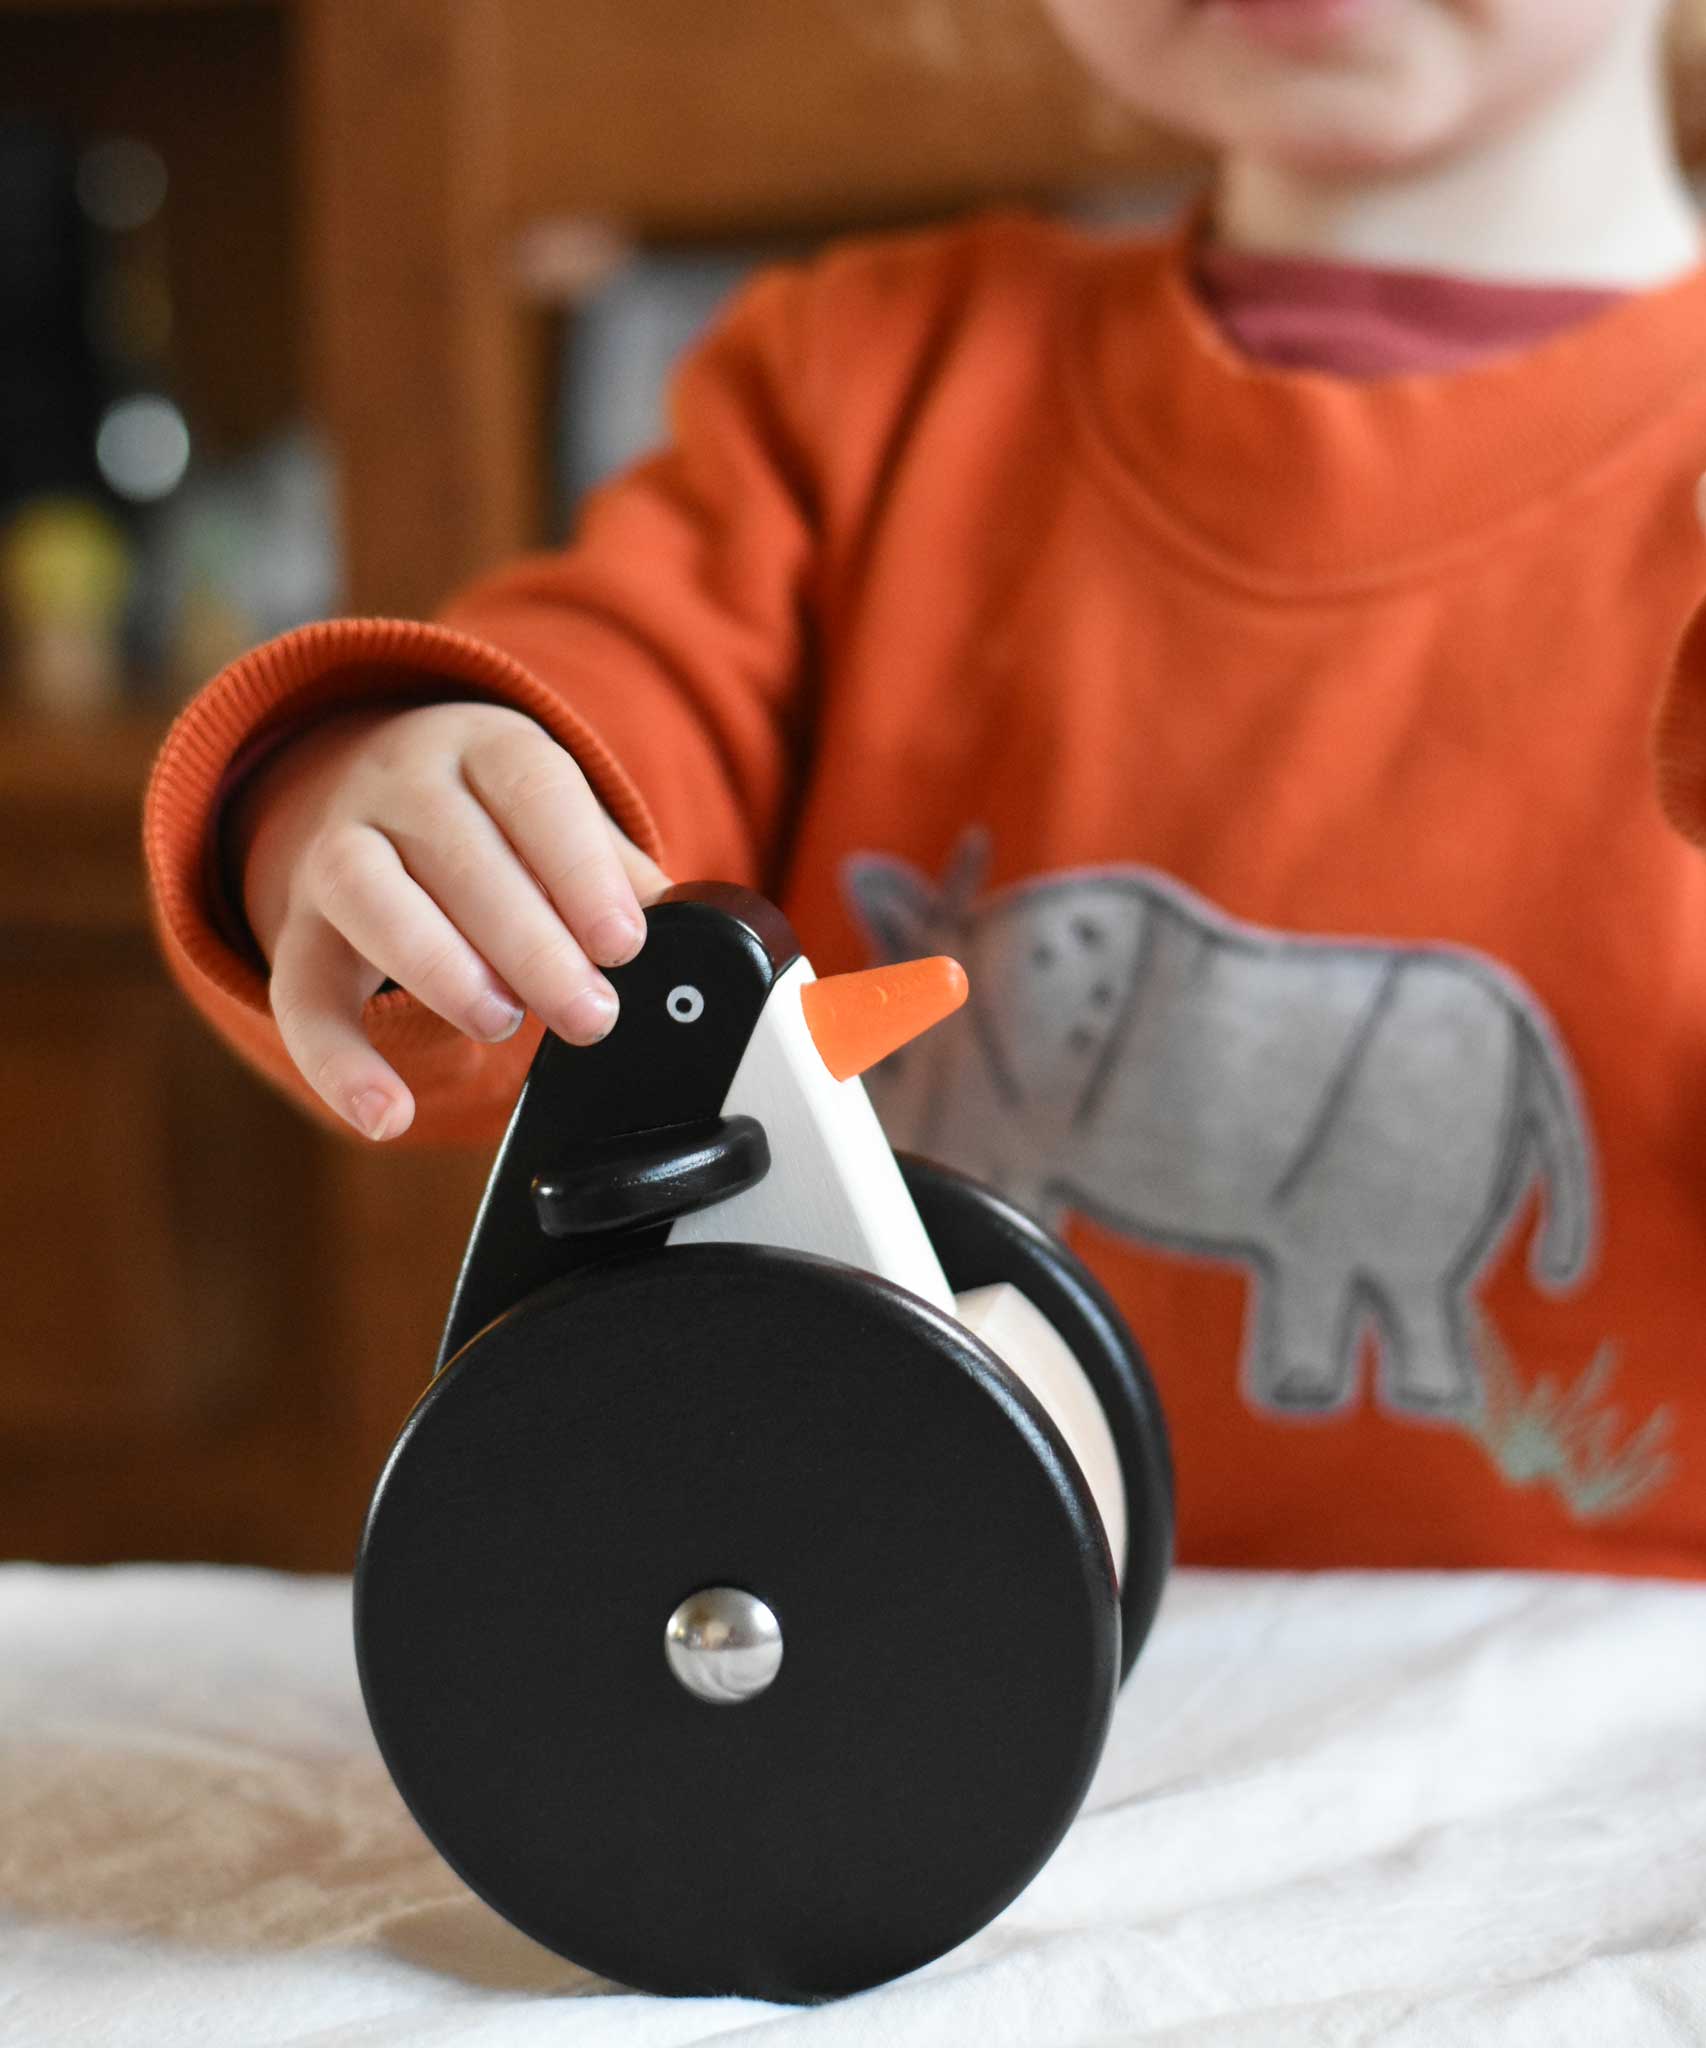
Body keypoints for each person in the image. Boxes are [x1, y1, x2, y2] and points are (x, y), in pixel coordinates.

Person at [145, 0, 1706, 1576]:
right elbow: (607, 789)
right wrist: (392, 796)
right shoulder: (853, 387)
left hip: (1603, 1716)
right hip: (886, 1654)